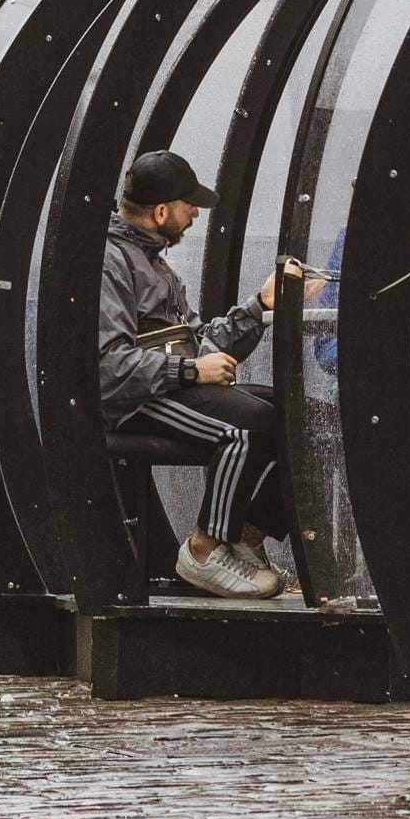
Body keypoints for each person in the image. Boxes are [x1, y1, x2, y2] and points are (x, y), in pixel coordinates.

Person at [98, 149, 312, 599]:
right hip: (132, 401)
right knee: (245, 426)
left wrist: (260, 306)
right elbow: (108, 367)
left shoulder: (155, 262)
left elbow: (200, 343)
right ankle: (203, 550)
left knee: (305, 417)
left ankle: (246, 538)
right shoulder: (111, 262)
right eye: (188, 204)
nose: (195, 212)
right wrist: (191, 371)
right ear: (161, 211)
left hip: (169, 385)